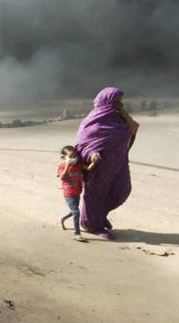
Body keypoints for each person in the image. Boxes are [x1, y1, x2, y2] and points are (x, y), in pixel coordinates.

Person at [75, 87, 139, 240]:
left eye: (120, 102)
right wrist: (92, 154)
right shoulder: (91, 123)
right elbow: (82, 145)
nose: (119, 105)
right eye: (116, 102)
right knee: (94, 197)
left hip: (119, 164)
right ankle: (92, 225)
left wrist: (123, 112)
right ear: (105, 102)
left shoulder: (120, 119)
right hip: (98, 169)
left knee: (122, 191)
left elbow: (134, 128)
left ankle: (99, 215)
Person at [57, 145, 99, 242]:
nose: (73, 158)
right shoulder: (62, 166)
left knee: (73, 211)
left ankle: (62, 218)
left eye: (75, 155)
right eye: (71, 156)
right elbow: (62, 177)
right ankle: (77, 234)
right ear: (64, 157)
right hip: (68, 193)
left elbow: (88, 168)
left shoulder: (78, 165)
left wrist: (94, 162)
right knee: (76, 212)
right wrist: (67, 164)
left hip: (77, 191)